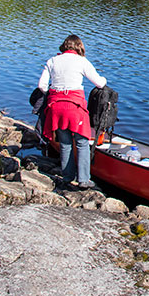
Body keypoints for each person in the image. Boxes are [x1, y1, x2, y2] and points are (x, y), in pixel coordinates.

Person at [38, 34, 107, 189]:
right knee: (82, 143)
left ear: (64, 46)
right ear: (79, 47)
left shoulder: (52, 61)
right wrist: (104, 79)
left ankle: (68, 177)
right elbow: (100, 83)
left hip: (56, 107)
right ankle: (83, 180)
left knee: (65, 143)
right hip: (75, 108)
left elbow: (42, 86)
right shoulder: (82, 61)